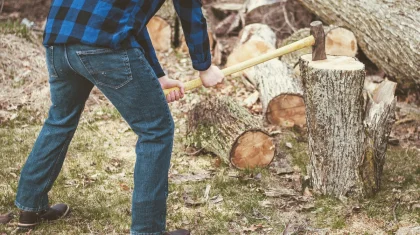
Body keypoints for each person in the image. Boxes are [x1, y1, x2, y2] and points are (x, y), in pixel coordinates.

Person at [14, 0, 224, 234]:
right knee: (156, 130)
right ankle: (148, 229)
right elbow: (190, 12)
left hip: (59, 38)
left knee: (60, 119)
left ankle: (30, 206)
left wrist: (158, 75)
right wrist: (204, 66)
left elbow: (131, 21)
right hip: (104, 42)